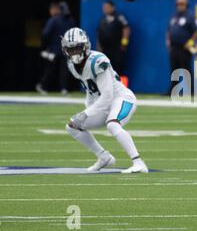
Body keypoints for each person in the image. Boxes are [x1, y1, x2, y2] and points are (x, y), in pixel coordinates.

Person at [62, 27, 148, 173]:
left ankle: (138, 163)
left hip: (122, 99)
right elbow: (90, 90)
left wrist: (86, 113)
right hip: (102, 105)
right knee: (72, 126)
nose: (74, 53)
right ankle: (104, 157)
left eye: (77, 48)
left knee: (113, 125)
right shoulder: (72, 66)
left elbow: (108, 96)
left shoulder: (97, 61)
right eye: (71, 50)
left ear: (85, 46)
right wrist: (87, 109)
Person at [36, 2, 76, 95]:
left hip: (54, 49)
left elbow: (45, 34)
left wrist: (45, 47)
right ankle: (64, 88)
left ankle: (43, 86)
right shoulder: (71, 20)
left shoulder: (54, 20)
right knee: (64, 69)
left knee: (51, 69)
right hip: (67, 49)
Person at [166, 0, 197, 95]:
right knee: (174, 69)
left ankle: (190, 90)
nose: (179, 6)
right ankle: (173, 90)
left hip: (184, 47)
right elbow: (169, 30)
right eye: (178, 4)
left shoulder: (190, 16)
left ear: (186, 5)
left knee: (185, 69)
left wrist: (190, 42)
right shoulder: (174, 16)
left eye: (182, 4)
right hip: (174, 47)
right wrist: (168, 41)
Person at [97, 0, 130, 76]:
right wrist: (99, 48)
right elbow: (99, 34)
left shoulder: (119, 17)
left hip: (117, 49)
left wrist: (124, 43)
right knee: (106, 70)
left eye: (107, 7)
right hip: (106, 50)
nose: (105, 9)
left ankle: (122, 87)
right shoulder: (102, 19)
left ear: (113, 7)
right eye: (104, 7)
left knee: (119, 70)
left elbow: (126, 29)